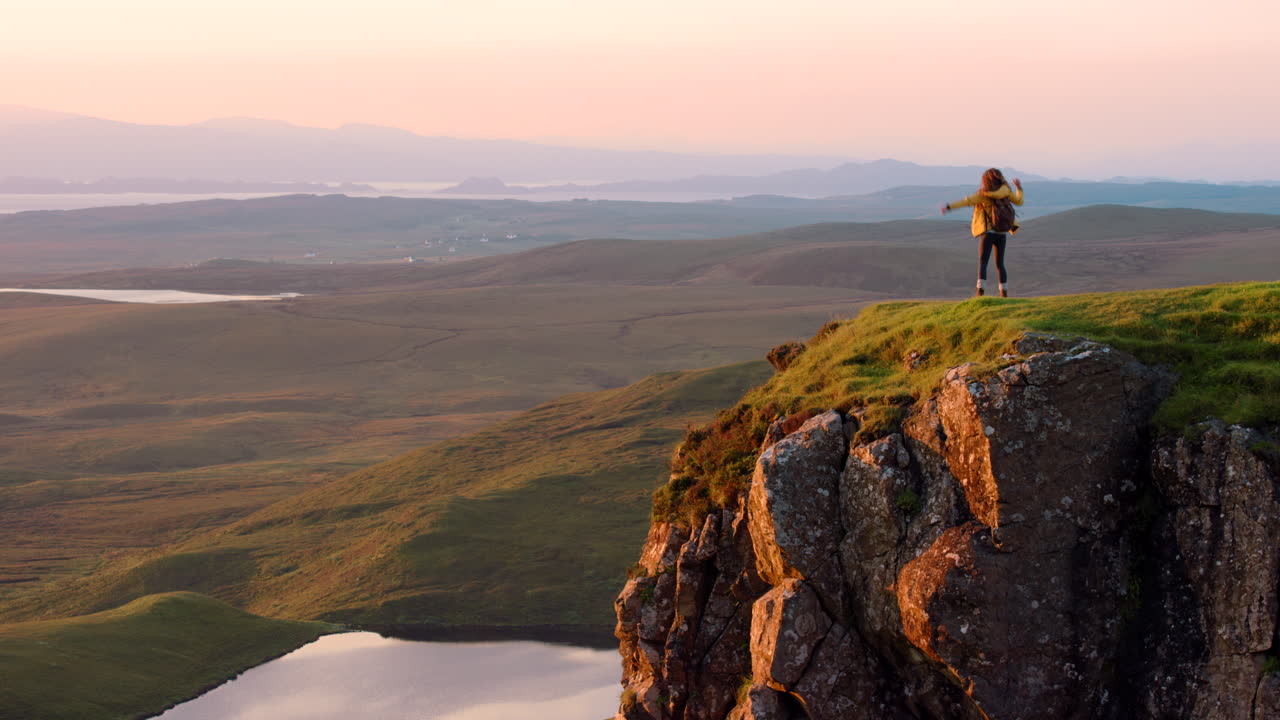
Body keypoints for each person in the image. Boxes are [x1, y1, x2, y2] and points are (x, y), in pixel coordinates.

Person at [941, 169, 1024, 297]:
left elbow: (966, 201)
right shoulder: (1006, 192)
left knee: (983, 262)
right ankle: (1004, 292)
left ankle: (980, 292)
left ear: (986, 180)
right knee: (1000, 264)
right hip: (1002, 232)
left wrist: (948, 207)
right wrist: (1019, 188)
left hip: (988, 233)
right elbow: (1019, 201)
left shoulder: (983, 194)